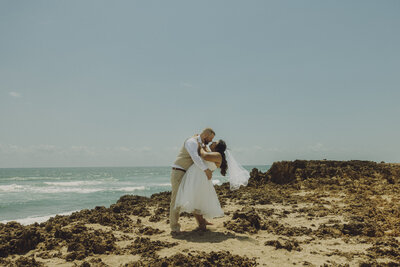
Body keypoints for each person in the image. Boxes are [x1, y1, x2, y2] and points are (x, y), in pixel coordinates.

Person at [174, 139, 227, 231]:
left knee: (196, 201)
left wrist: (200, 145)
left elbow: (204, 155)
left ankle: (202, 225)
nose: (213, 142)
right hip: (196, 177)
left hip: (200, 179)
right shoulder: (211, 152)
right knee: (195, 201)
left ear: (218, 147)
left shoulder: (218, 155)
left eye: (215, 142)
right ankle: (202, 222)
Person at [169, 128, 215, 234]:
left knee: (194, 196)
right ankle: (174, 227)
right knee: (176, 199)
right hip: (179, 172)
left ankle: (201, 222)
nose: (211, 141)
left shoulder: (200, 143)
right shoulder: (191, 142)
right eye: (210, 138)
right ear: (205, 135)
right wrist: (206, 170)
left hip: (188, 174)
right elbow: (195, 157)